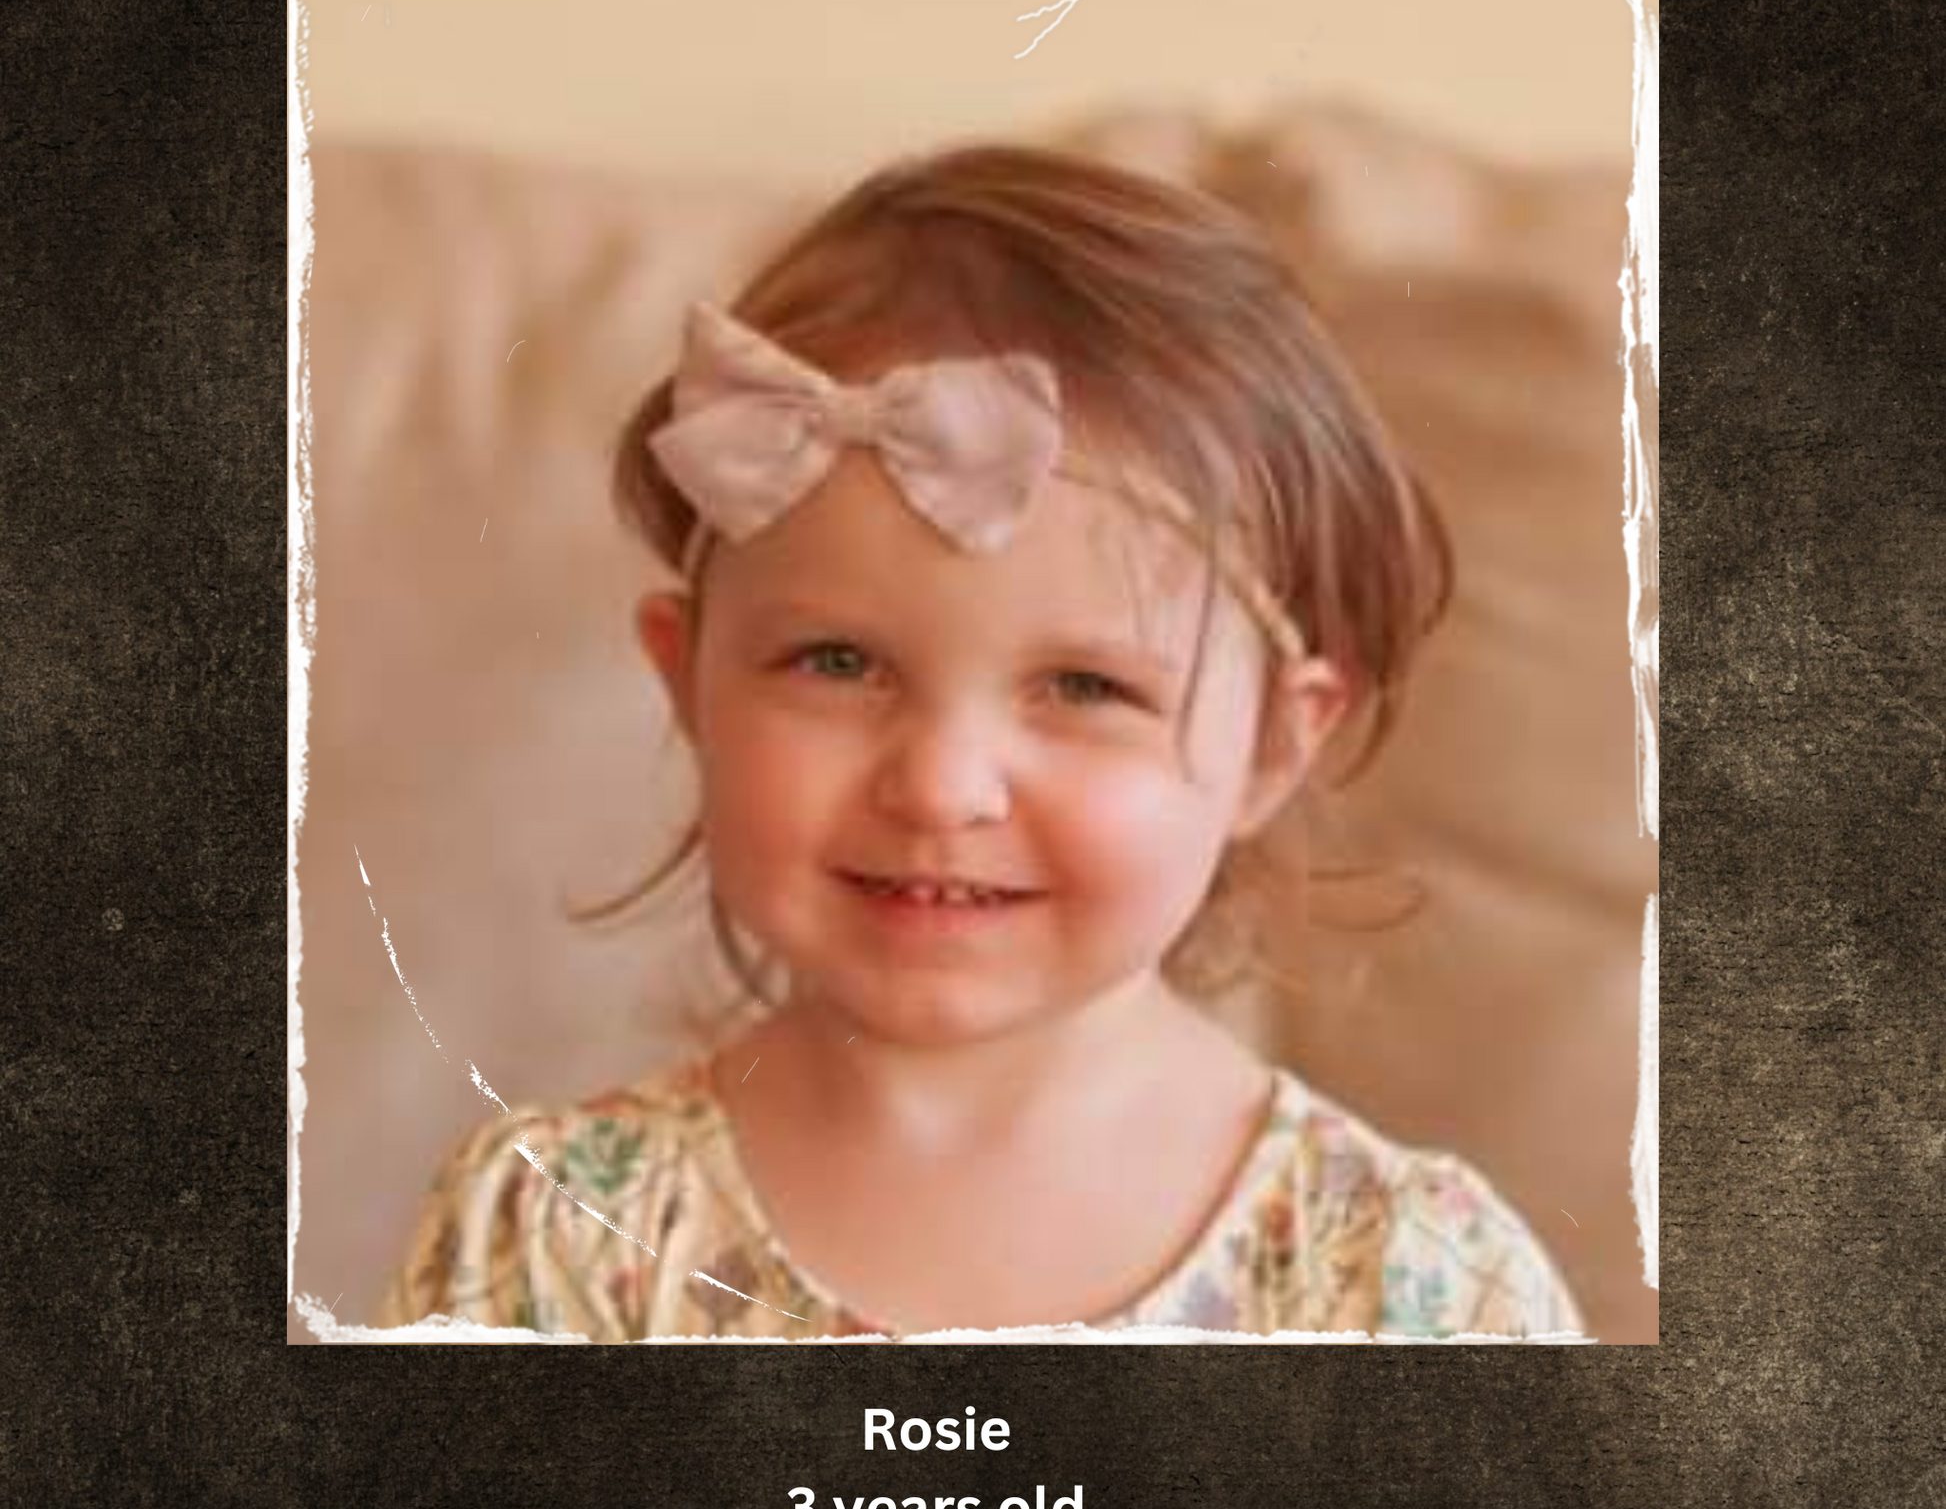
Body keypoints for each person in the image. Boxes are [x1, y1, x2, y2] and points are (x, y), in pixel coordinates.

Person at [380, 144, 1583, 1341]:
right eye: (838, 663)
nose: (940, 786)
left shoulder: (1411, 1280)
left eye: (1081, 684)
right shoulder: (549, 1236)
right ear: (686, 680)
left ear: (1272, 747)